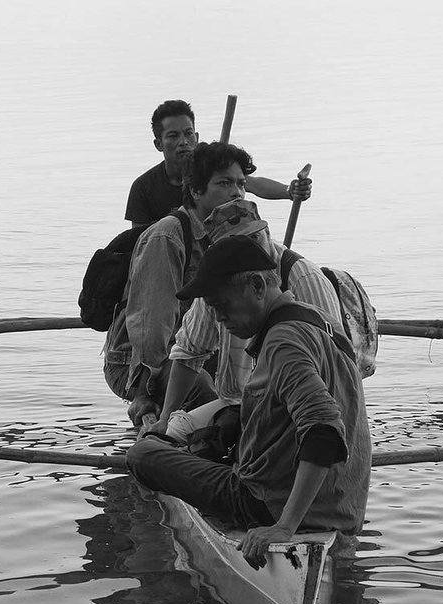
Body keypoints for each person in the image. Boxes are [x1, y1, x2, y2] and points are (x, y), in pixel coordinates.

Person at [126, 234, 371, 565]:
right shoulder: (318, 320)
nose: (219, 318)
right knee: (225, 426)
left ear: (258, 286)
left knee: (144, 454)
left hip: (268, 504)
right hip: (340, 503)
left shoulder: (283, 342)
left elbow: (323, 430)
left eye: (222, 305)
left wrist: (284, 526)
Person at [105, 142, 308, 428]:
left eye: (240, 184)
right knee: (207, 395)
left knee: (245, 386)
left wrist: (289, 192)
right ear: (196, 191)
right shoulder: (167, 237)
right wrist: (143, 391)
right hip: (135, 363)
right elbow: (151, 324)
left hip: (190, 344)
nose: (236, 192)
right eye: (224, 184)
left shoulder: (232, 236)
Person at [145, 198, 341, 451]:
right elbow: (189, 352)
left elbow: (331, 382)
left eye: (254, 239)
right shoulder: (218, 286)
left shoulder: (303, 279)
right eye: (235, 246)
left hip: (293, 407)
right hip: (238, 403)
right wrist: (164, 419)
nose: (249, 251)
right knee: (161, 444)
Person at [125, 99, 312, 228]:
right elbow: (139, 241)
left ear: (196, 137)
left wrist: (290, 191)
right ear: (159, 144)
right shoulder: (143, 187)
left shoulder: (211, 169)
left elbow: (252, 183)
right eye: (173, 136)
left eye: (188, 134)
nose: (183, 142)